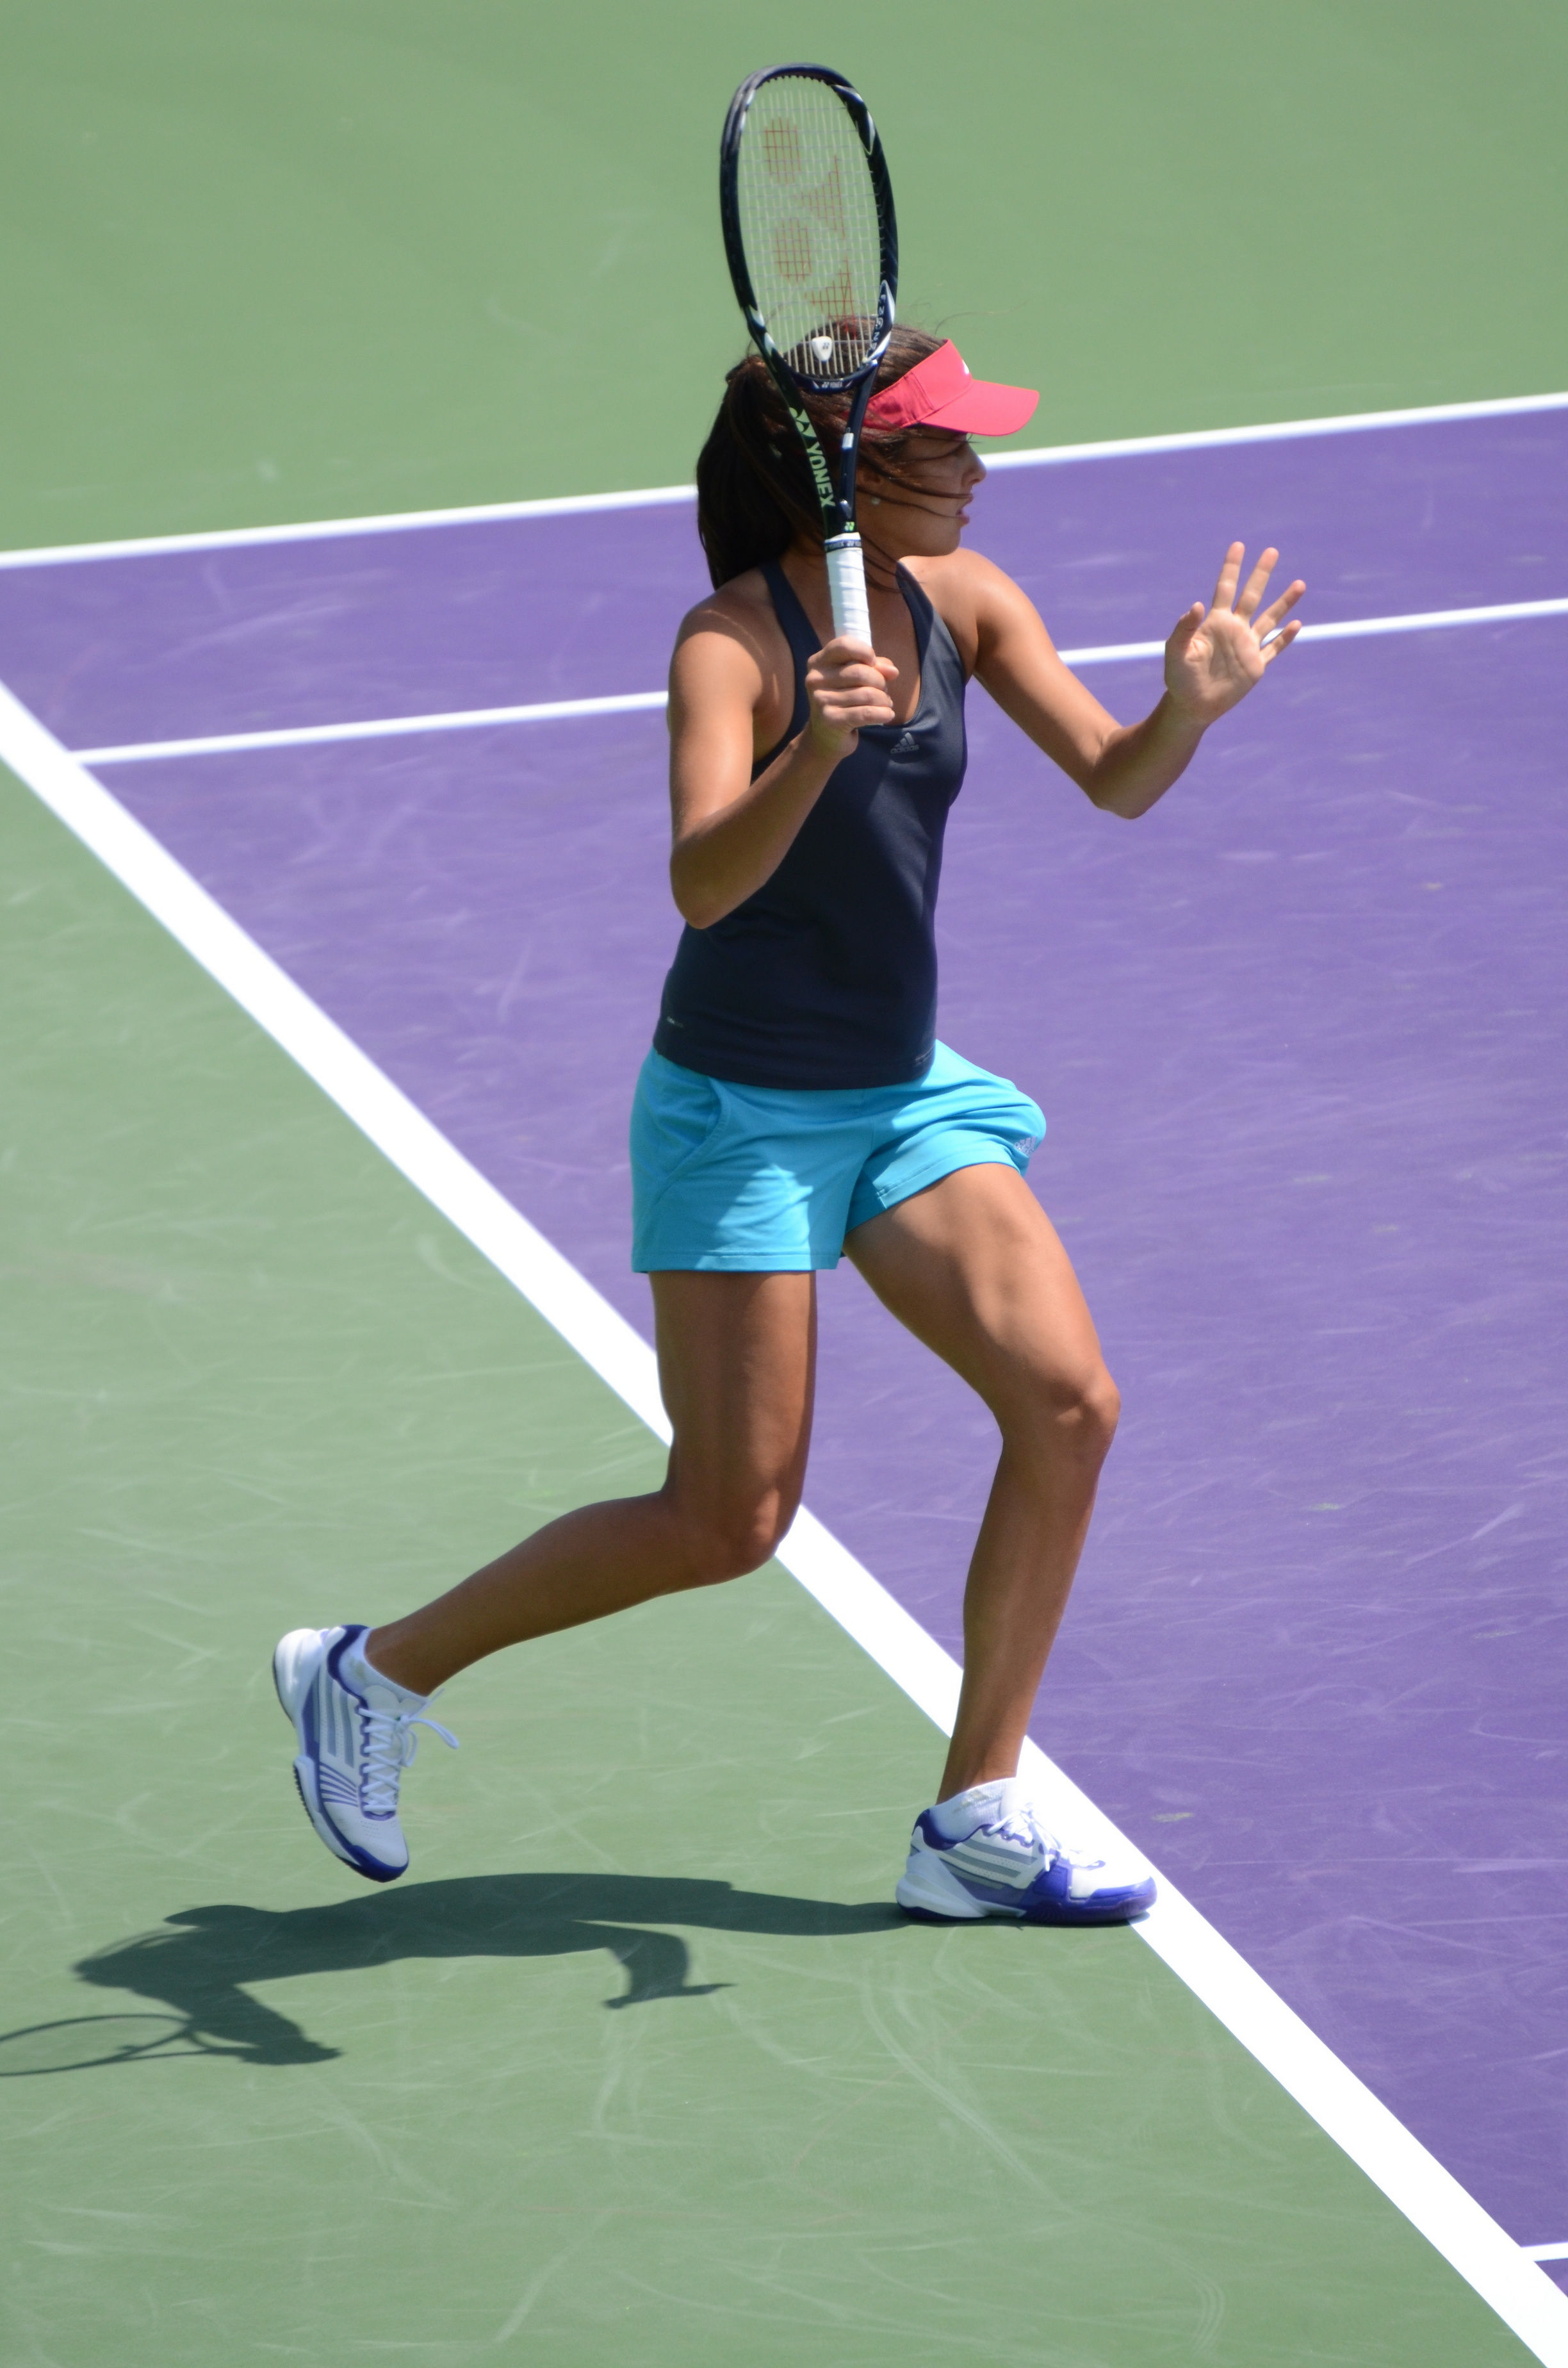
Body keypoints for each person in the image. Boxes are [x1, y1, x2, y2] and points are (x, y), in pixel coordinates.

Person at [274, 327, 1303, 1923]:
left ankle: (973, 1817)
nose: (979, 467)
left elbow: (1116, 776)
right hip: (742, 1112)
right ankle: (371, 1672)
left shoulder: (967, 598)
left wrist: (1190, 710)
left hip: (897, 1093)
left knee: (1069, 1406)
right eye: (945, 444)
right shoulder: (730, 646)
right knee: (729, 1519)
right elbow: (701, 882)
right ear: (846, 469)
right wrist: (817, 742)